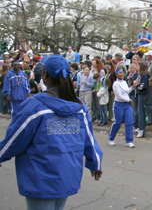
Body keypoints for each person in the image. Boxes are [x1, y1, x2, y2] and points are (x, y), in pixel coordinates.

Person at [0, 54, 103, 209]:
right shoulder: (78, 107)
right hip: (67, 175)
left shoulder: (34, 106)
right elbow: (89, 139)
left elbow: (16, 139)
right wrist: (95, 163)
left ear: (45, 75)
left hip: (39, 179)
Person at [108, 69, 136, 148]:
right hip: (119, 104)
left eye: (123, 73)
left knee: (129, 122)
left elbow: (126, 91)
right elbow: (119, 96)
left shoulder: (124, 82)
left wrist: (133, 86)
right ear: (116, 74)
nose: (122, 74)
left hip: (127, 105)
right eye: (120, 73)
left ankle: (129, 140)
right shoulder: (115, 84)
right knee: (118, 122)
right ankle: (111, 138)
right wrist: (129, 100)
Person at [137, 61, 150, 138]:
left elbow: (143, 85)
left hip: (142, 94)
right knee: (140, 111)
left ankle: (141, 129)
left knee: (141, 111)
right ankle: (142, 127)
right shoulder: (142, 75)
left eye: (138, 66)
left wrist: (137, 86)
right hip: (141, 94)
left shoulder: (144, 75)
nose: (137, 67)